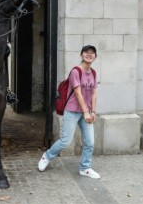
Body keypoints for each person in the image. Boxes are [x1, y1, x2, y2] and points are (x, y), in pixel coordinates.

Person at [38, 45, 100, 179]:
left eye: (92, 53)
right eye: (86, 52)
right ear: (81, 55)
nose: (89, 55)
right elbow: (78, 94)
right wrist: (86, 112)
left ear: (95, 56)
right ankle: (46, 156)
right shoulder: (75, 72)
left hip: (87, 112)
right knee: (65, 141)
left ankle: (85, 168)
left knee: (90, 142)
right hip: (72, 111)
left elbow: (94, 93)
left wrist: (93, 111)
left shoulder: (93, 73)